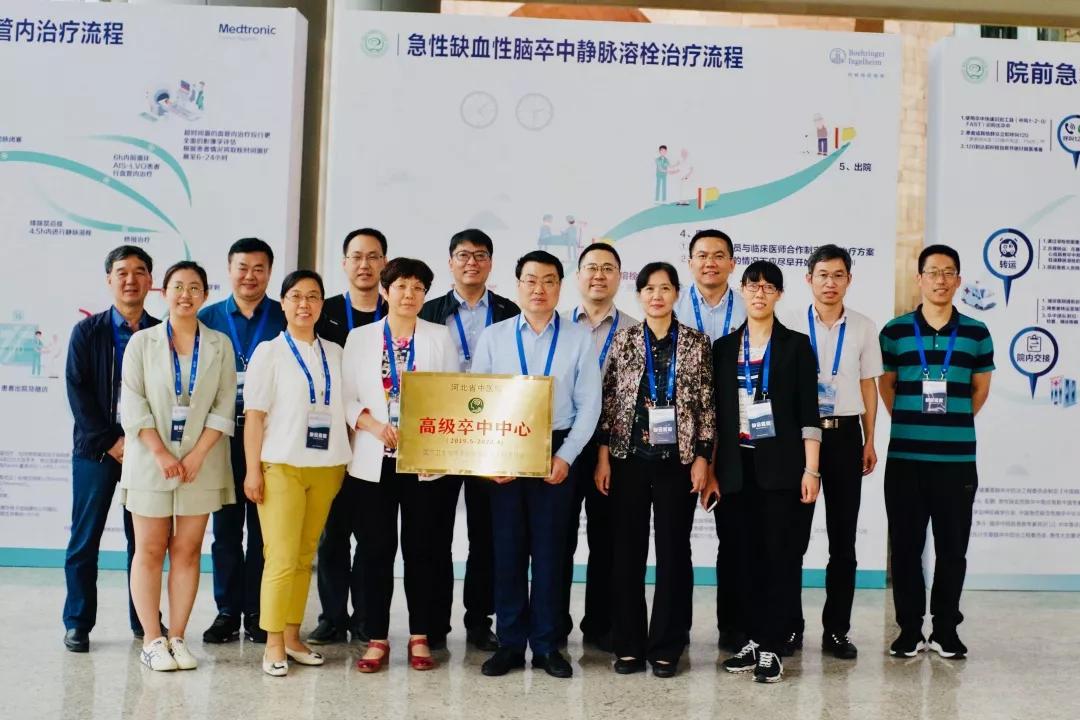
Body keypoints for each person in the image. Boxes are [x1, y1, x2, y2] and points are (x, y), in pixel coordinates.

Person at [471, 250, 602, 679]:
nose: (539, 289)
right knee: (507, 550)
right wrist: (490, 457)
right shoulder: (494, 337)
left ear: (560, 287)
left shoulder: (579, 338)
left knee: (551, 553)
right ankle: (510, 643)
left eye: (548, 281)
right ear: (517, 286)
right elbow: (478, 401)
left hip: (557, 449)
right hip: (506, 450)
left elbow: (589, 405)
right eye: (530, 280)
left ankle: (547, 645)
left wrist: (567, 456)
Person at [594, 262, 713, 677]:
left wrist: (703, 457)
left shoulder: (697, 342)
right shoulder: (624, 339)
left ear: (676, 293)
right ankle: (628, 643)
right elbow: (609, 401)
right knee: (626, 552)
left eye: (665, 288)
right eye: (649, 289)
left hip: (678, 462)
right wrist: (603, 456)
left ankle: (667, 645)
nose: (657, 296)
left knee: (673, 553)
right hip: (628, 460)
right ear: (639, 294)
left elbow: (707, 404)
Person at [707, 260, 821, 684]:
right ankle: (753, 640)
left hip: (782, 469)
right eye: (753, 286)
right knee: (742, 559)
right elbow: (715, 418)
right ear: (741, 290)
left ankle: (773, 645)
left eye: (768, 287)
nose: (759, 293)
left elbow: (809, 414)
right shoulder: (723, 348)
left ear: (779, 295)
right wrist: (712, 471)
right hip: (735, 469)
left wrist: (812, 471)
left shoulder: (795, 346)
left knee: (779, 557)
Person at [119, 261, 237, 671]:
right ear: (163, 291)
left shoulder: (219, 344)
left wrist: (197, 454)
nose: (186, 295)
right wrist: (161, 453)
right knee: (150, 549)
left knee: (187, 551)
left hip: (201, 463)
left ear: (205, 294)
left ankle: (178, 637)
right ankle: (152, 639)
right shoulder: (142, 342)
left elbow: (224, 404)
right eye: (178, 287)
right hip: (150, 460)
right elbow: (133, 403)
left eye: (194, 287)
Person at [878, 244, 993, 661]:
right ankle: (909, 630)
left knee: (952, 550)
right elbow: (887, 386)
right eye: (932, 272)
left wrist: (950, 423)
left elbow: (979, 390)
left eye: (948, 272)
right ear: (919, 279)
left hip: (956, 463)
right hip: (905, 461)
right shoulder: (894, 332)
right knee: (906, 550)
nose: (940, 280)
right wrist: (911, 421)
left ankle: (946, 630)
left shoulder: (977, 333)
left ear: (958, 280)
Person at [344, 258, 458, 672]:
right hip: (373, 461)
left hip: (423, 463)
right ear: (385, 291)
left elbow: (450, 395)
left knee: (422, 550)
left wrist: (427, 439)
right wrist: (374, 426)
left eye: (417, 288)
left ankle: (420, 635)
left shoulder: (439, 337)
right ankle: (376, 636)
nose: (409, 295)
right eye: (401, 286)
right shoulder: (360, 338)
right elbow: (347, 397)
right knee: (375, 550)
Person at [241, 270, 352, 677]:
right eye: (296, 296)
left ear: (322, 304)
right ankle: (272, 641)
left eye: (313, 296)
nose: (305, 304)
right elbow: (254, 417)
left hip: (327, 467)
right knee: (281, 557)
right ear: (283, 303)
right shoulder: (269, 352)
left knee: (305, 557)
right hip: (281, 466)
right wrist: (253, 471)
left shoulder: (336, 353)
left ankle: (291, 635)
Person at [419, 228, 519, 652]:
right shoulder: (429, 310)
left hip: (490, 435)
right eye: (463, 255)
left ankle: (479, 621)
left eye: (480, 255)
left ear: (491, 263)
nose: (471, 262)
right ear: (450, 262)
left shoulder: (509, 310)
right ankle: (433, 623)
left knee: (486, 534)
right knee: (434, 532)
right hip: (442, 431)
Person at [783, 244, 883, 660]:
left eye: (838, 275)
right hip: (799, 439)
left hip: (844, 438)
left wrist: (869, 439)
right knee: (792, 539)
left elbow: (868, 385)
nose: (830, 283)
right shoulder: (788, 322)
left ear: (849, 279)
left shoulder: (863, 326)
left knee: (843, 541)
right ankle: (790, 627)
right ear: (809, 279)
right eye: (822, 275)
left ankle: (837, 630)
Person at [63, 245, 161, 653]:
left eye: (139, 272)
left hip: (147, 450)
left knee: (145, 542)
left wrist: (142, 444)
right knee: (85, 540)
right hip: (97, 451)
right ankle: (78, 622)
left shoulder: (161, 333)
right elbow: (78, 392)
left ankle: (144, 621)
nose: (130, 280)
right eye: (122, 272)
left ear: (150, 281)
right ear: (109, 280)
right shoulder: (87, 332)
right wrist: (112, 442)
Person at [198, 237, 285, 645]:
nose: (250, 276)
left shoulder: (284, 315)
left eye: (259, 269)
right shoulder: (208, 318)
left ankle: (258, 612)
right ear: (229, 269)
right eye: (242, 268)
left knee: (265, 532)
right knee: (227, 531)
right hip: (221, 436)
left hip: (271, 438)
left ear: (269, 272)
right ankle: (227, 612)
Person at [308, 227, 389, 646]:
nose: (365, 265)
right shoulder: (325, 312)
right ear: (344, 263)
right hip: (333, 441)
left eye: (373, 257)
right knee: (333, 535)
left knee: (374, 540)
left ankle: (366, 619)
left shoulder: (397, 310)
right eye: (356, 256)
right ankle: (332, 617)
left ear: (384, 264)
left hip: (380, 446)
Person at [557, 242, 637, 651]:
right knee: (559, 537)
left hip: (614, 448)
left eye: (608, 268)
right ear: (578, 276)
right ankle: (554, 625)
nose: (599, 275)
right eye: (591, 267)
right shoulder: (557, 326)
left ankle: (600, 624)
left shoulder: (635, 331)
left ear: (620, 277)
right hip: (565, 443)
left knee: (608, 538)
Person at [672, 228, 746, 652]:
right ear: (690, 262)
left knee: (735, 539)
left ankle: (733, 629)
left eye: (719, 255)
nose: (710, 262)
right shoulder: (672, 307)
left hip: (738, 437)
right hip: (681, 439)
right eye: (702, 255)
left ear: (732, 263)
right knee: (675, 540)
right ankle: (675, 631)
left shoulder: (751, 307)